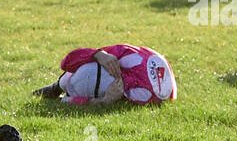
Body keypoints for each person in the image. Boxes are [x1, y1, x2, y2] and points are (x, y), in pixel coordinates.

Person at [33, 44, 178, 106]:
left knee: (75, 84)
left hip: (159, 79)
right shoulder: (120, 54)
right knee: (71, 80)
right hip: (157, 64)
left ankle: (61, 92)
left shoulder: (139, 93)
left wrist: (103, 102)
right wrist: (98, 53)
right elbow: (67, 62)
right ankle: (58, 87)